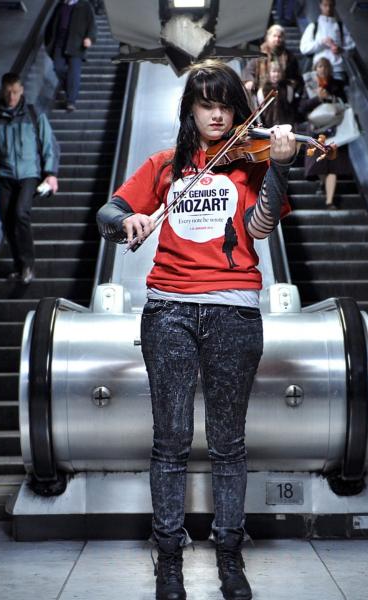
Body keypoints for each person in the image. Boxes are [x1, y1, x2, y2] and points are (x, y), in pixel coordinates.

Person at [96, 59, 296, 600]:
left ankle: (230, 557)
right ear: (190, 109)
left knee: (229, 443)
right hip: (169, 311)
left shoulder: (249, 166)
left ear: (236, 111)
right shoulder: (165, 165)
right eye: (206, 104)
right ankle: (169, 561)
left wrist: (277, 166)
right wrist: (127, 222)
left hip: (233, 309)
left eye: (225, 104)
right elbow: (107, 212)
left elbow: (259, 228)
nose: (216, 114)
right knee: (171, 441)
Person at [0, 72, 59, 285]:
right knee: (6, 220)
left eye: (15, 92)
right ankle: (18, 265)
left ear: (21, 90)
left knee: (20, 214)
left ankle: (28, 265)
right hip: (5, 175)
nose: (11, 97)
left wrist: (50, 173)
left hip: (29, 174)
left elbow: (48, 144)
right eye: (7, 92)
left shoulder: (33, 114)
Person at [299, 57, 352, 209]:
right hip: (316, 130)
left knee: (333, 165)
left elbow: (344, 104)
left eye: (324, 66)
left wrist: (329, 98)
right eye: (319, 66)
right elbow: (302, 108)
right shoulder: (309, 85)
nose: (322, 69)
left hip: (334, 129)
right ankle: (322, 182)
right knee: (318, 163)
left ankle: (330, 201)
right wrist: (317, 98)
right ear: (315, 69)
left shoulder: (337, 85)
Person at [44, 0, 96, 112]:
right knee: (58, 67)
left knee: (74, 72)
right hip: (60, 42)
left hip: (76, 43)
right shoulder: (60, 5)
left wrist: (90, 38)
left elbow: (92, 25)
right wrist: (48, 41)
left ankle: (71, 101)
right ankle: (72, 89)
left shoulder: (85, 5)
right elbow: (51, 24)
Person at [299, 0, 355, 81]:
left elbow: (351, 49)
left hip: (337, 70)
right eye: (325, 5)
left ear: (334, 6)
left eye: (331, 5)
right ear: (320, 6)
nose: (328, 8)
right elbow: (304, 49)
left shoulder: (341, 27)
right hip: (318, 70)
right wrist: (321, 42)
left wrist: (341, 50)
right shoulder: (314, 26)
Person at [242, 24, 301, 96]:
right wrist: (249, 81)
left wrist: (292, 85)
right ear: (268, 37)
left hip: (282, 94)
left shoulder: (290, 57)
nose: (277, 39)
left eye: (280, 37)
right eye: (274, 36)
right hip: (262, 93)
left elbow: (296, 77)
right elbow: (248, 70)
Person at [257, 60, 300, 127]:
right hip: (269, 125)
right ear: (269, 73)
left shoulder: (288, 88)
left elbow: (290, 103)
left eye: (278, 72)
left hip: (285, 124)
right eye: (274, 71)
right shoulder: (262, 90)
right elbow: (262, 108)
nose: (276, 74)